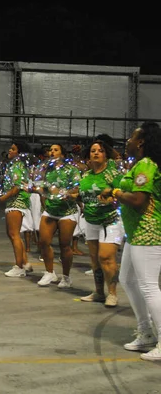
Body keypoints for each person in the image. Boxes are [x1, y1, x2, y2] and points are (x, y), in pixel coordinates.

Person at [100, 121, 161, 362]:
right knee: (126, 279)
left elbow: (138, 200)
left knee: (148, 286)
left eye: (131, 138)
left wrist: (115, 193)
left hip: (149, 232)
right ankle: (146, 332)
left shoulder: (146, 165)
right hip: (135, 232)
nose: (127, 142)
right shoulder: (138, 164)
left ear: (141, 142)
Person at [77, 141, 124, 308]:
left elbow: (124, 195)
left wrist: (113, 199)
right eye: (93, 151)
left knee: (106, 257)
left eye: (100, 151)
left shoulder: (113, 175)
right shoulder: (85, 176)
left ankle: (112, 293)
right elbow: (82, 195)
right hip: (91, 221)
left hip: (110, 220)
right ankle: (98, 292)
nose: (96, 153)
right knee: (95, 260)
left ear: (106, 155)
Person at [36, 143, 81, 288]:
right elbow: (41, 188)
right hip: (50, 210)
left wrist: (68, 195)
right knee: (43, 241)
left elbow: (76, 189)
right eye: (50, 150)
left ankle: (66, 277)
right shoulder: (45, 170)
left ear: (62, 154)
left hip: (67, 212)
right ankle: (49, 273)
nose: (52, 152)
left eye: (56, 150)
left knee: (64, 245)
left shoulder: (71, 170)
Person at [0, 141, 34, 277]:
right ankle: (25, 263)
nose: (9, 150)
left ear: (19, 153)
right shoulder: (14, 166)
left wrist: (0, 199)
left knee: (14, 234)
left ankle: (19, 267)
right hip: (12, 202)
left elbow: (16, 188)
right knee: (12, 234)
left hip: (16, 202)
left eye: (13, 149)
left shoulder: (17, 167)